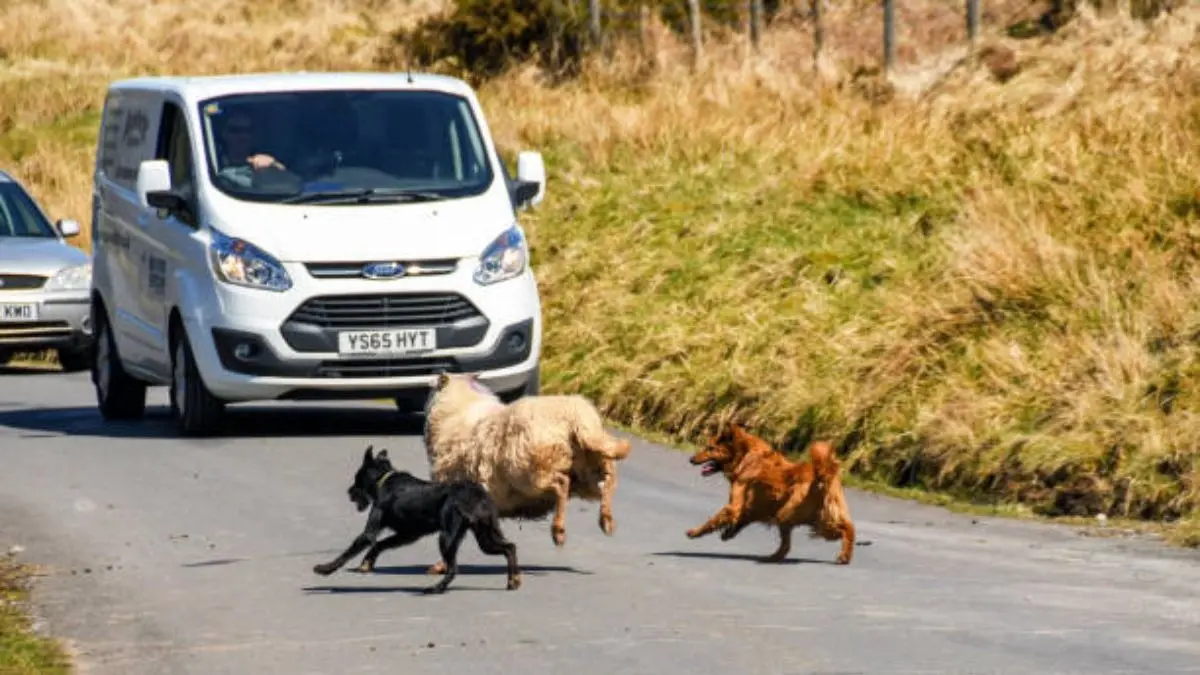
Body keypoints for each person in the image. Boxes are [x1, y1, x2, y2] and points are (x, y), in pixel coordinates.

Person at [214, 111, 286, 187]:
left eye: (248, 130)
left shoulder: (266, 159)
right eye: (236, 130)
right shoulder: (213, 161)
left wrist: (274, 165)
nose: (243, 136)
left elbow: (289, 183)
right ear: (224, 133)